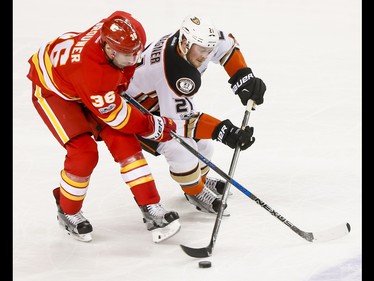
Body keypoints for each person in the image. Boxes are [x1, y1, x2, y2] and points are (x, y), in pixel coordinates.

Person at [27, 11, 181, 244]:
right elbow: (121, 119)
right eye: (126, 56)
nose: (132, 61)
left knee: (125, 143)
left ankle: (151, 207)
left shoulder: (129, 30)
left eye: (134, 54)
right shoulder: (92, 73)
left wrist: (118, 84)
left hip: (85, 84)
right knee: (84, 153)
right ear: (109, 49)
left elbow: (120, 16)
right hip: (54, 91)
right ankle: (68, 210)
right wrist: (153, 125)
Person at [124, 15, 266, 214]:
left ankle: (201, 178)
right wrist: (225, 132)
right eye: (202, 51)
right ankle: (195, 191)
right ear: (184, 42)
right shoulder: (173, 71)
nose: (205, 55)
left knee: (204, 145)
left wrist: (243, 78)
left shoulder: (198, 42)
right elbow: (180, 123)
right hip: (136, 112)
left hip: (160, 99)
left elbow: (227, 47)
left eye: (209, 50)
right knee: (182, 149)